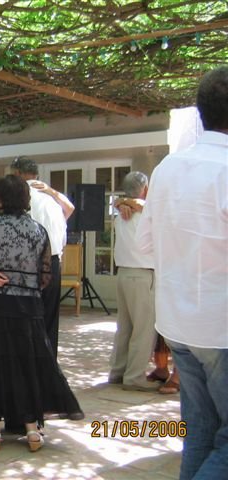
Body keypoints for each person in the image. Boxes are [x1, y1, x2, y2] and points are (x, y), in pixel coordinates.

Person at [136, 66, 228, 479]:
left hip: (178, 325)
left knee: (200, 432)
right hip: (220, 328)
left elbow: (146, 245)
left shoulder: (167, 169)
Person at [0, 175, 84, 454]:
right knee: (27, 364)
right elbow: (45, 276)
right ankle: (31, 429)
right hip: (28, 308)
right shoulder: (39, 231)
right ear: (26, 200)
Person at [10, 157, 74, 358]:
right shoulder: (52, 198)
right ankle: (48, 362)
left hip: (29, 262)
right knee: (49, 317)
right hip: (53, 262)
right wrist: (53, 192)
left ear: (18, 173)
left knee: (25, 315)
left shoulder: (19, 196)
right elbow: (70, 209)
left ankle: (27, 362)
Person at [108, 171, 159, 392]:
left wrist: (122, 201)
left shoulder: (121, 213)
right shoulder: (147, 212)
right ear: (145, 189)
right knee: (144, 329)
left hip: (123, 274)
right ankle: (135, 376)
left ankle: (118, 371)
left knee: (125, 326)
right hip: (142, 274)